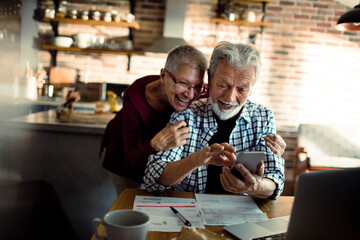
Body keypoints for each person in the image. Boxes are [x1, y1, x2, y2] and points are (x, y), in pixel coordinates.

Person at [101, 44, 286, 196]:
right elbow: (151, 175)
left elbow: (276, 178)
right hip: (123, 158)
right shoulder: (184, 111)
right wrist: (194, 159)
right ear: (211, 79)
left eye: (242, 89)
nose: (230, 98)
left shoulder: (263, 117)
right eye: (222, 85)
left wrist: (255, 187)